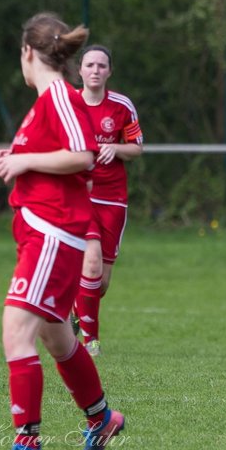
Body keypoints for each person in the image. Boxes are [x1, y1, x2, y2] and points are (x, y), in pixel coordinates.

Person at [0, 12, 125, 450]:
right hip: (42, 232)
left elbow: (82, 155)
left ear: (28, 52)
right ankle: (101, 418)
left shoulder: (59, 97)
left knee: (16, 330)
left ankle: (27, 447)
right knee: (56, 335)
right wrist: (18, 158)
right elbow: (57, 156)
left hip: (52, 232)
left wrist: (25, 164)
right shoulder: (46, 103)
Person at [70, 45, 143, 356]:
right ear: (80, 71)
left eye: (102, 65)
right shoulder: (69, 103)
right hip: (79, 195)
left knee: (101, 282)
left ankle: (76, 308)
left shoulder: (121, 106)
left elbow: (137, 146)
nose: (95, 70)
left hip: (113, 198)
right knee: (91, 260)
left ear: (109, 71)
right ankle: (91, 341)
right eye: (90, 65)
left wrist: (118, 149)